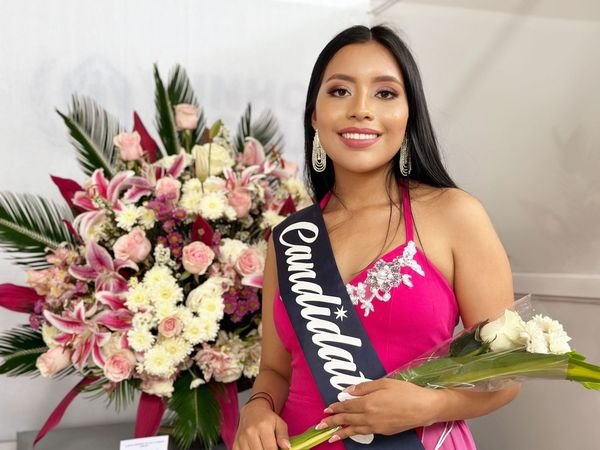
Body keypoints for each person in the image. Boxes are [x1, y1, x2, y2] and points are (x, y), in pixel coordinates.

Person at [233, 24, 520, 450]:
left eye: (385, 93)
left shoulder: (455, 215)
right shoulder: (289, 238)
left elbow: (508, 373)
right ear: (314, 114)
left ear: (409, 113)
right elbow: (276, 371)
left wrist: (429, 406)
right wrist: (257, 407)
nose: (361, 110)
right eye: (340, 91)